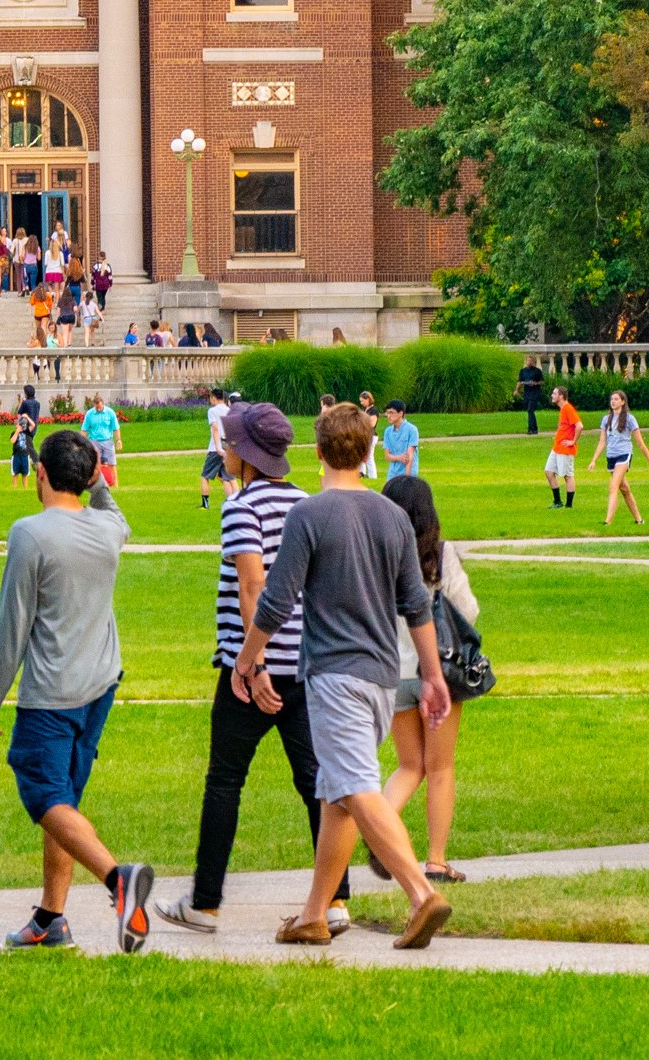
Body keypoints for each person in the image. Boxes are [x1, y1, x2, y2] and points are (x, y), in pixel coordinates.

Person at [234, 403, 452, 950]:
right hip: (382, 677)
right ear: (368, 450)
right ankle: (313, 916)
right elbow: (416, 605)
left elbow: (275, 600)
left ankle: (421, 894)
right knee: (336, 795)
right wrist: (432, 676)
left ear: (317, 452)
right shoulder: (392, 516)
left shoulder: (310, 515)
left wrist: (247, 658)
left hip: (334, 676)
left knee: (354, 786)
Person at [156, 402, 351, 938]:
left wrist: (253, 662)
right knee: (318, 781)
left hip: (251, 667)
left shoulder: (242, 508)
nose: (223, 448)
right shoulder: (309, 505)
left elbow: (252, 587)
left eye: (229, 443)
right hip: (305, 664)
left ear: (244, 453)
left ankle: (206, 900)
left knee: (225, 780)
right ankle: (336, 898)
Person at [0, 429, 150, 953]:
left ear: (42, 474)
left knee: (44, 793)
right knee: (67, 798)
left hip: (52, 690)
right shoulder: (108, 528)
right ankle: (51, 917)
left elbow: (13, 623)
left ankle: (118, 880)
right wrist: (96, 476)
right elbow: (115, 514)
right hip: (100, 683)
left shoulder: (30, 533)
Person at [365, 474, 480, 887]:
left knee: (409, 765)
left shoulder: (374, 556)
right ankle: (435, 860)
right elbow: (467, 608)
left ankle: (378, 829)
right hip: (439, 671)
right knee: (441, 766)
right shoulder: (440, 555)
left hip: (393, 673)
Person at [588, 390, 649, 525]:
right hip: (611, 456)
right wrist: (594, 460)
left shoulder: (629, 419)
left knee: (613, 486)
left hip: (624, 455)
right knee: (624, 489)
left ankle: (607, 521)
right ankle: (639, 520)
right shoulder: (606, 419)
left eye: (616, 399)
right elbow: (602, 441)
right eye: (611, 399)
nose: (613, 401)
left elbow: (640, 443)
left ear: (622, 402)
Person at [544, 388, 580, 509]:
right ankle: (557, 501)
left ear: (561, 396)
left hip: (565, 448)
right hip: (557, 447)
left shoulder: (568, 408)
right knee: (549, 472)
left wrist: (573, 441)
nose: (552, 395)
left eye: (554, 393)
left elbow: (579, 426)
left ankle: (569, 505)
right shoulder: (562, 409)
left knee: (567, 475)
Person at [200, 388, 232, 508]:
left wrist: (217, 446)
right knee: (226, 477)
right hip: (227, 444)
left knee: (205, 476)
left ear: (213, 398)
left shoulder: (212, 411)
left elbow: (215, 428)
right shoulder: (229, 410)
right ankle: (230, 503)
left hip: (216, 446)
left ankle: (205, 503)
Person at [81, 396, 121, 489]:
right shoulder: (90, 414)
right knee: (95, 464)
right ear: (94, 405)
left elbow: (116, 428)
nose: (98, 409)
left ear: (102, 403)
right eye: (96, 407)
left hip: (108, 441)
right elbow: (84, 429)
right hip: (94, 441)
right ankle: (96, 485)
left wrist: (118, 440)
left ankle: (116, 486)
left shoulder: (110, 413)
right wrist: (80, 442)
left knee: (112, 463)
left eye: (100, 406)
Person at [379, 400, 420, 480]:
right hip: (393, 472)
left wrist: (407, 477)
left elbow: (410, 456)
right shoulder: (387, 431)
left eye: (391, 413)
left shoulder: (412, 430)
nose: (388, 416)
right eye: (387, 413)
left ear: (401, 413)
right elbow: (387, 456)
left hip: (408, 471)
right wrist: (398, 458)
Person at [10, 386, 40, 482]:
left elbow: (19, 414)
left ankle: (37, 463)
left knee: (29, 446)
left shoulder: (26, 403)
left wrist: (20, 402)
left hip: (25, 426)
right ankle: (31, 462)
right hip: (33, 426)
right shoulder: (37, 403)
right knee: (28, 445)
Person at [517, 357, 546, 435]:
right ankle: (535, 428)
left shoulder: (537, 371)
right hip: (527, 393)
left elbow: (542, 382)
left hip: (535, 392)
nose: (529, 362)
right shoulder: (523, 371)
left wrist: (535, 383)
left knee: (530, 410)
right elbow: (519, 381)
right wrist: (516, 390)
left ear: (533, 362)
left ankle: (531, 429)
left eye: (531, 361)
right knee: (530, 411)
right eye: (528, 360)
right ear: (526, 361)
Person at [356, 392, 380, 479]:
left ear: (368, 399)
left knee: (369, 456)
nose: (361, 403)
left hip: (371, 436)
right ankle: (362, 473)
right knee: (362, 454)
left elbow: (372, 424)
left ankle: (373, 476)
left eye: (362, 401)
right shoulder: (365, 410)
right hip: (364, 435)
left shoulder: (373, 410)